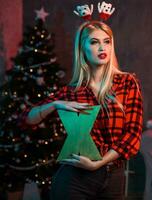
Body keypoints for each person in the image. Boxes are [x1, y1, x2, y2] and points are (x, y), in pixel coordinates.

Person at [20, 20, 143, 199]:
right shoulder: (71, 92)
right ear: (82, 48)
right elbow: (27, 119)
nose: (102, 47)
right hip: (74, 179)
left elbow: (133, 135)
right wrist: (54, 104)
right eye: (94, 42)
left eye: (106, 41)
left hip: (114, 175)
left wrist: (99, 162)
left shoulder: (127, 83)